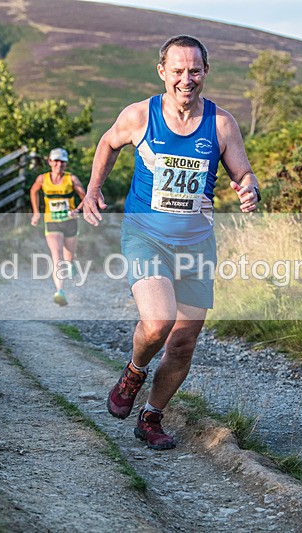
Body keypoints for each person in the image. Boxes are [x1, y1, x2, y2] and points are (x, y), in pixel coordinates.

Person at [78, 35, 260, 450]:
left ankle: (152, 417)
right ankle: (134, 372)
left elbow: (243, 173)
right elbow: (108, 142)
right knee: (158, 323)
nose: (186, 79)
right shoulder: (140, 116)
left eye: (194, 70)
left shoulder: (220, 123)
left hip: (197, 244)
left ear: (205, 72)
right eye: (177, 70)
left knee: (182, 341)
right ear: (162, 71)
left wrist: (248, 187)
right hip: (146, 236)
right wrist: (92, 189)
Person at [30, 147, 86, 306]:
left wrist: (77, 210)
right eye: (55, 161)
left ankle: (71, 263)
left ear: (66, 164)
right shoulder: (42, 179)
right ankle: (59, 291)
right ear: (49, 162)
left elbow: (86, 197)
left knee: (69, 257)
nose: (58, 164)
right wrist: (36, 212)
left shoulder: (72, 180)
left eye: (62, 162)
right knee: (57, 256)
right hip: (52, 222)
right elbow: (33, 192)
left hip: (70, 222)